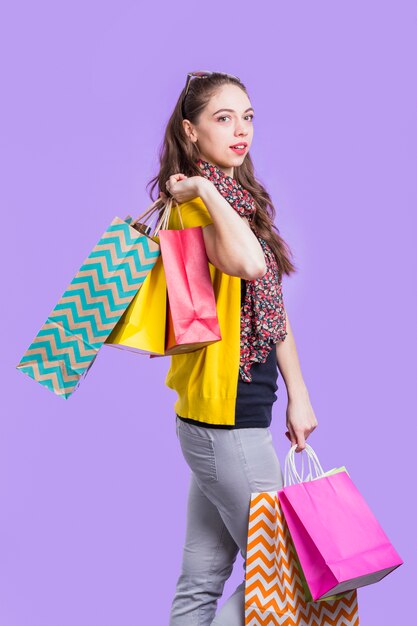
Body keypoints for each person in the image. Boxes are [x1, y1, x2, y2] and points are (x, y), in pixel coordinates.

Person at [147, 71, 318, 626]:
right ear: (190, 131)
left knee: (201, 581)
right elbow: (246, 264)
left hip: (227, 419)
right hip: (226, 420)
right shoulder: (198, 205)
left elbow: (269, 302)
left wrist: (299, 393)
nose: (241, 130)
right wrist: (202, 189)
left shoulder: (239, 199)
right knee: (288, 576)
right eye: (224, 118)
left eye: (247, 117)